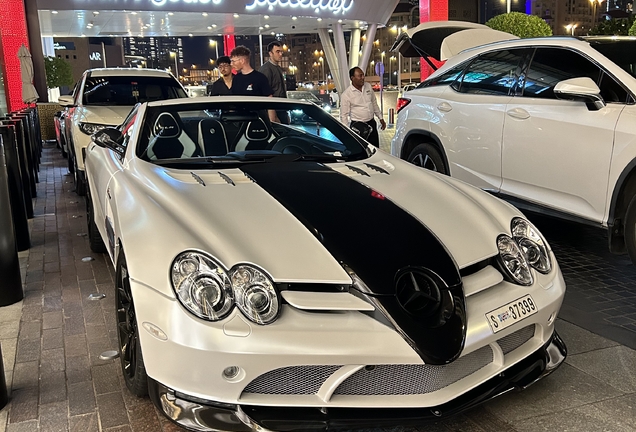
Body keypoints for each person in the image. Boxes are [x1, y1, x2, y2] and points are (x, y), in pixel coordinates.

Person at [340, 66, 386, 147]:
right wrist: (348, 133)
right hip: (358, 127)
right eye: (360, 76)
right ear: (352, 78)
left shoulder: (368, 86)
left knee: (375, 150)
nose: (363, 78)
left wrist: (381, 118)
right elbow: (344, 115)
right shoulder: (346, 95)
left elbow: (374, 103)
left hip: (371, 124)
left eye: (363, 75)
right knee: (362, 152)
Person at [230, 45, 278, 122]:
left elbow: (269, 99)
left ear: (242, 60)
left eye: (233, 61)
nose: (231, 64)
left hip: (257, 120)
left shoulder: (260, 78)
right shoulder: (236, 79)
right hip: (239, 120)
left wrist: (272, 121)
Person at [259, 41, 290, 124]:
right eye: (277, 52)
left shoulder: (278, 68)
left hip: (281, 108)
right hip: (274, 111)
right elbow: (266, 93)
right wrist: (273, 116)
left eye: (281, 52)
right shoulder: (266, 69)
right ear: (270, 53)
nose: (280, 54)